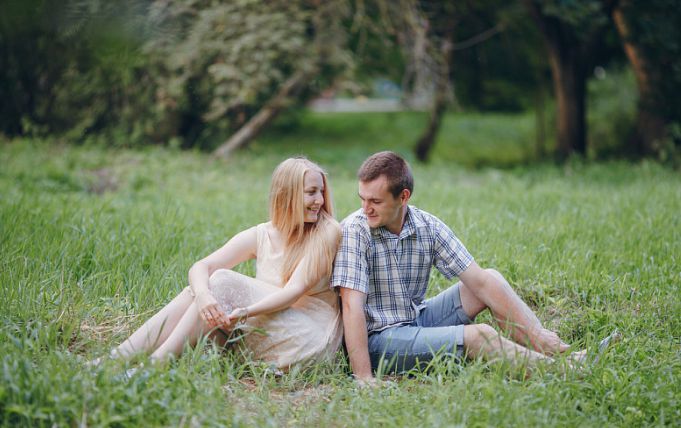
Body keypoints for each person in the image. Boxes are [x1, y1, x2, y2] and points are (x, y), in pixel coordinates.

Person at [332, 151, 598, 383]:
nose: (365, 208)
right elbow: (351, 307)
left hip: (415, 319)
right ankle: (562, 372)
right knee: (478, 335)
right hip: (379, 341)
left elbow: (479, 281)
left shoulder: (427, 226)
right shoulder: (356, 231)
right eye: (362, 199)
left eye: (375, 201)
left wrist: (539, 334)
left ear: (403, 197)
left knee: (489, 279)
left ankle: (551, 348)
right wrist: (364, 378)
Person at [96, 157, 343, 371]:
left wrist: (245, 312)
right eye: (311, 192)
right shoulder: (262, 234)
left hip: (311, 342)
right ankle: (114, 360)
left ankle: (153, 367)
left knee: (222, 282)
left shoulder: (327, 231)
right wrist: (204, 297)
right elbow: (201, 266)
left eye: (321, 192)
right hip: (269, 329)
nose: (320, 200)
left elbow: (293, 292)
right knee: (197, 292)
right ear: (286, 194)